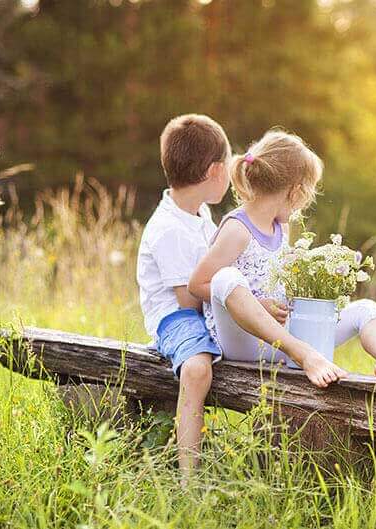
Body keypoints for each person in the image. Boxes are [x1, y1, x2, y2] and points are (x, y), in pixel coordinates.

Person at [137, 115, 330, 475]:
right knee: (197, 369)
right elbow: (189, 301)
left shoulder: (200, 214)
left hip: (206, 310)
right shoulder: (169, 230)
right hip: (177, 319)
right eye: (227, 166)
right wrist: (244, 306)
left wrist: (248, 306)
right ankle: (188, 478)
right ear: (214, 172)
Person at [188, 129, 376, 383]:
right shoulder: (238, 229)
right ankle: (304, 354)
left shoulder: (280, 228)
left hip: (279, 341)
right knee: (226, 277)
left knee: (366, 309)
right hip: (241, 341)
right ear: (295, 192)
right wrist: (259, 305)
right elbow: (196, 284)